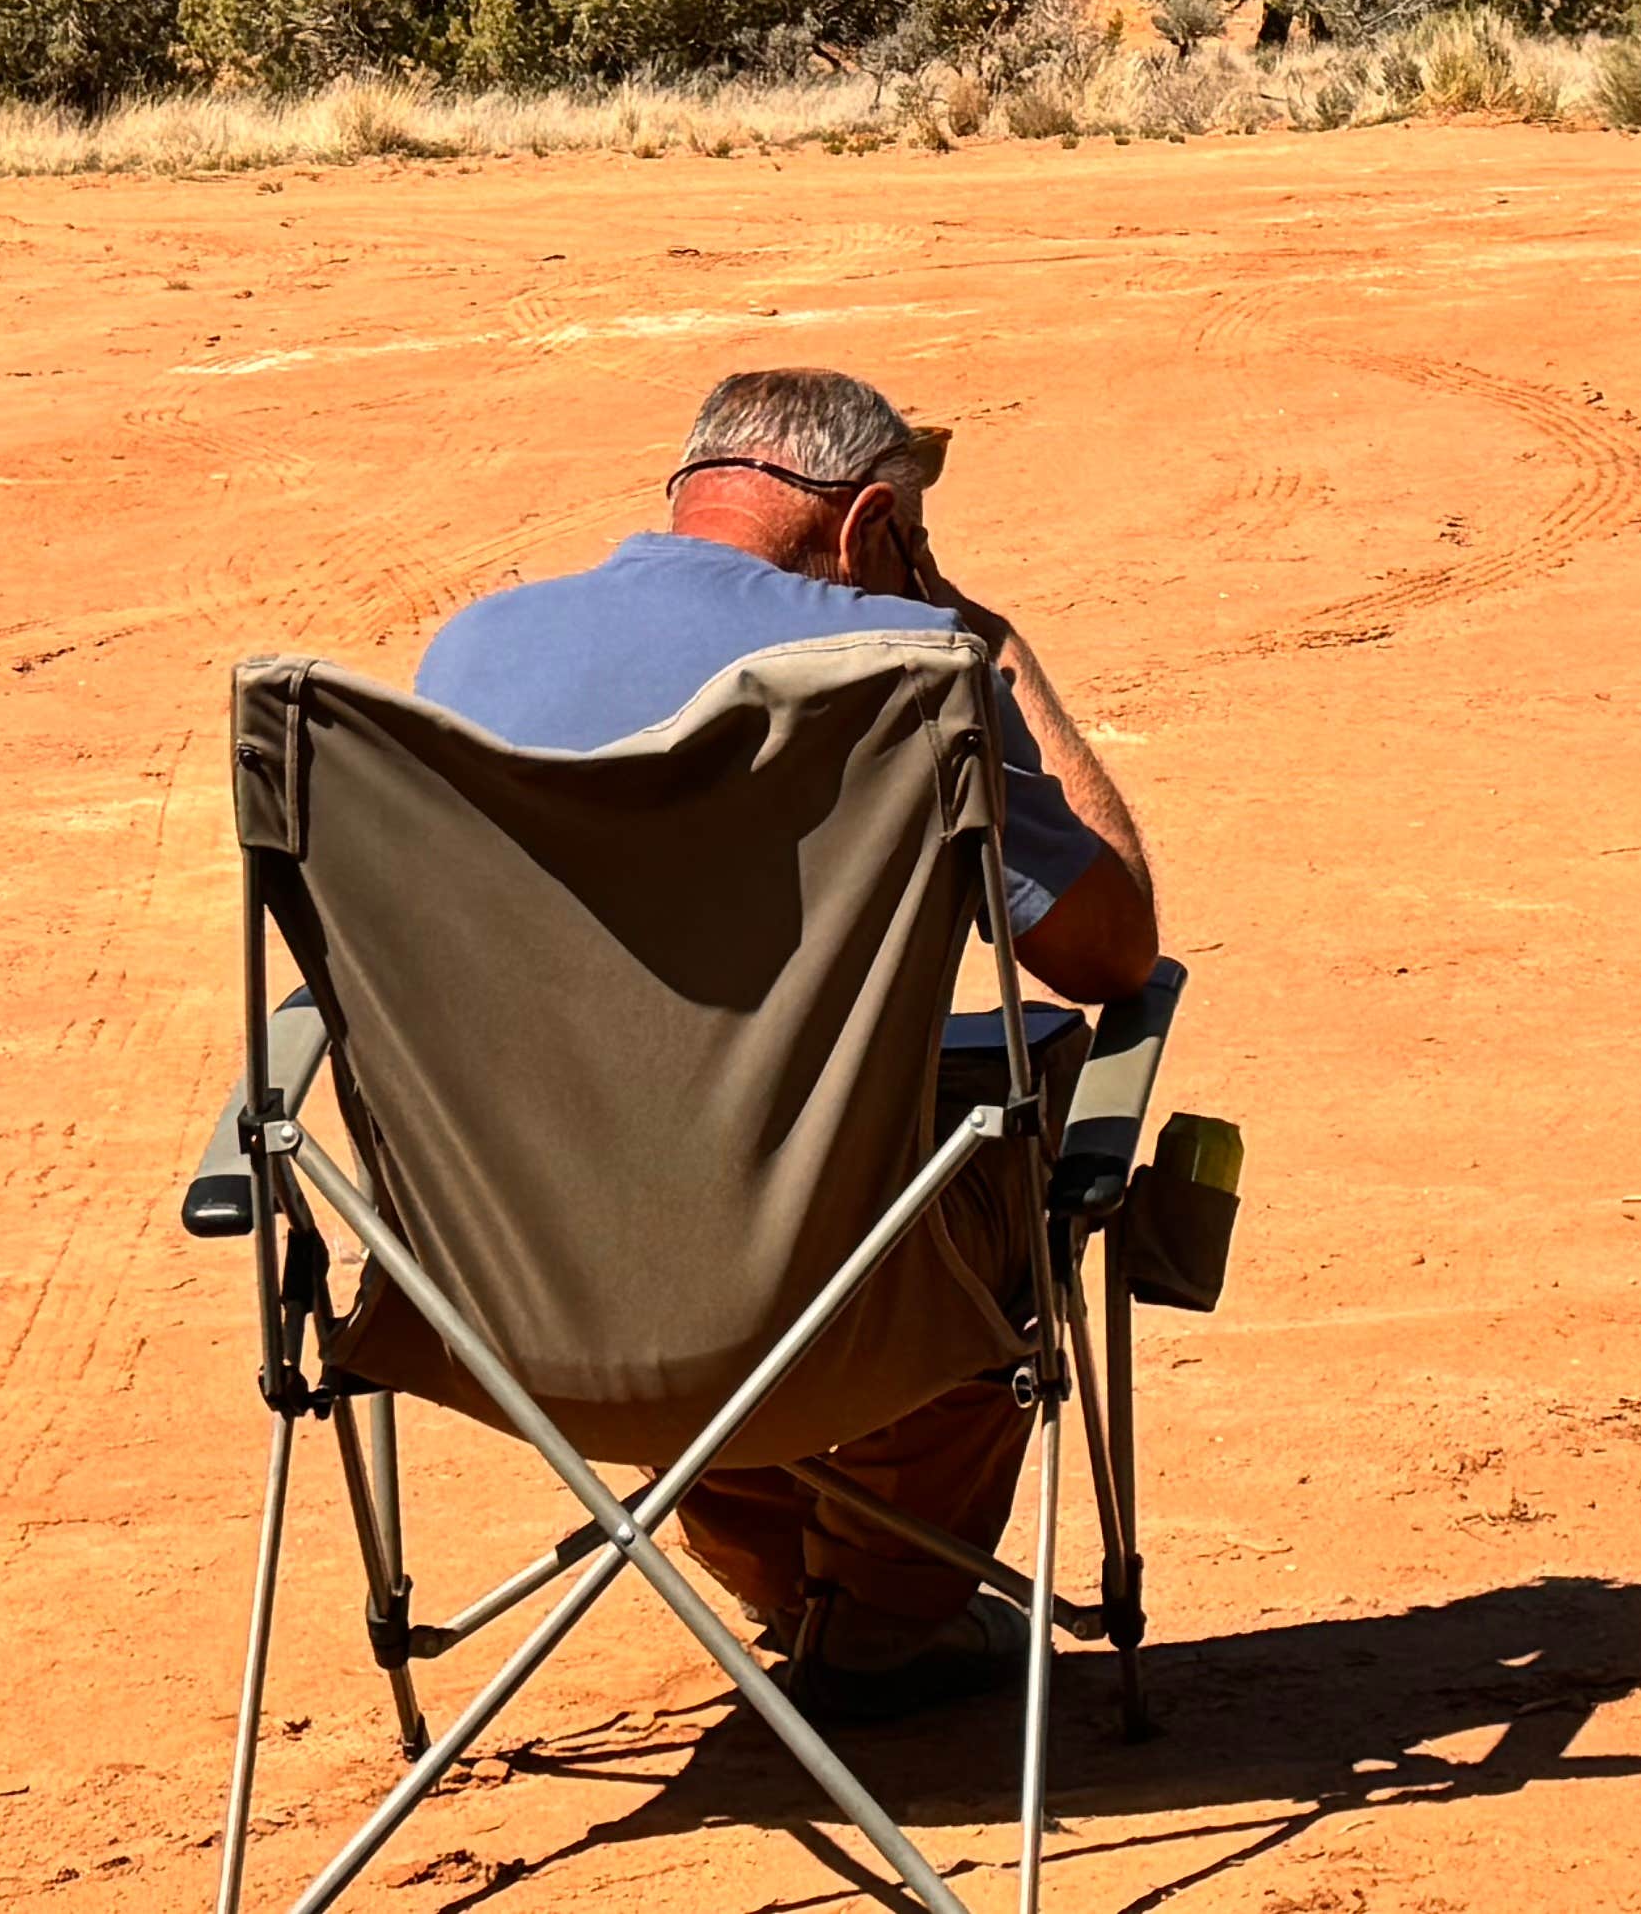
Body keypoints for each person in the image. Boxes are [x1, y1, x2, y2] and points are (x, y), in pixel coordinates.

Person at [413, 367, 1162, 1720]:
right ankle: (880, 1616)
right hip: (833, 1293)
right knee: (1008, 1141)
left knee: (696, 1177)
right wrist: (993, 647)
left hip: (506, 1290)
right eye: (910, 546)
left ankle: (781, 1574)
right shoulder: (910, 678)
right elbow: (1112, 952)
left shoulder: (470, 656)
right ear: (873, 527)